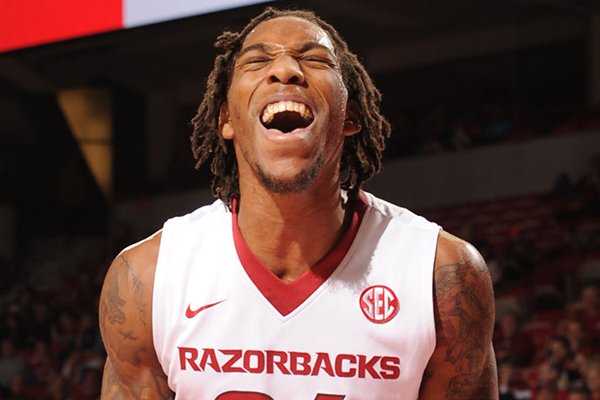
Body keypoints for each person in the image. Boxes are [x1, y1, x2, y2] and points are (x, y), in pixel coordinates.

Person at [98, 7, 498, 399]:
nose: (286, 70)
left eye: (314, 59)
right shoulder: (148, 279)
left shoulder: (441, 274)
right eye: (257, 61)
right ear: (227, 121)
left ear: (350, 116)